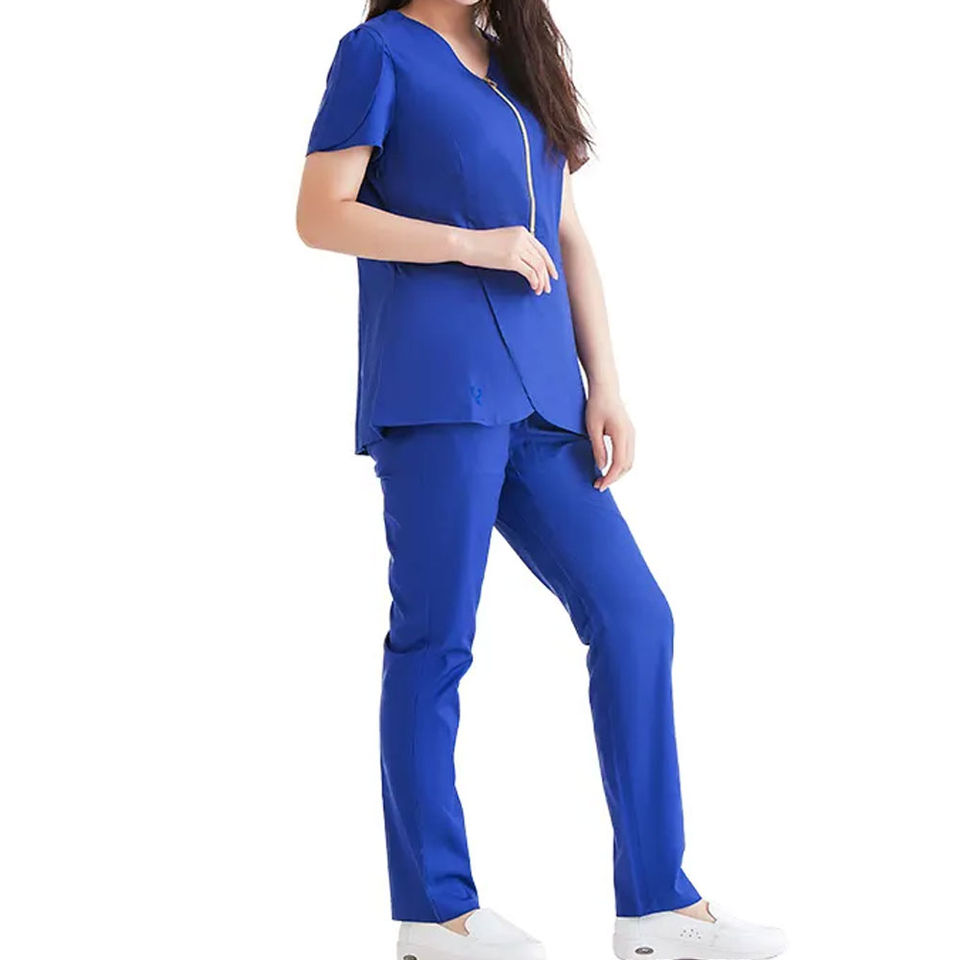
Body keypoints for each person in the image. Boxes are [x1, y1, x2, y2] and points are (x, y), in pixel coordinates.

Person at [296, 3, 786, 959]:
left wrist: (607, 384)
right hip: (440, 389)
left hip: (546, 400)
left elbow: (569, 236)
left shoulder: (516, 62)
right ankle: (436, 913)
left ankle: (656, 904)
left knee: (636, 616)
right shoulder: (378, 52)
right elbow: (320, 213)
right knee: (436, 642)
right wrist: (469, 242)